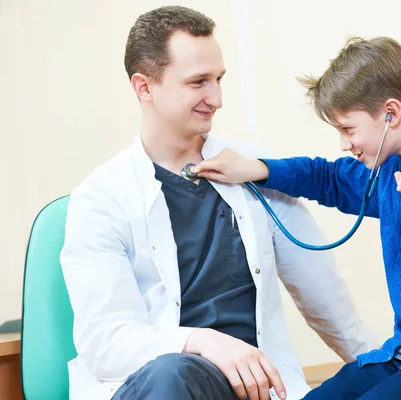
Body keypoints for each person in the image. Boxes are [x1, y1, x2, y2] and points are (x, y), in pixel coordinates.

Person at [60, 7, 378, 400]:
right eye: (198, 82)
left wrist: (382, 369)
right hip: (159, 386)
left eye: (219, 79)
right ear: (144, 87)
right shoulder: (100, 199)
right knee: (172, 375)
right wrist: (202, 341)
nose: (217, 98)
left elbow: (322, 290)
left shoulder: (250, 171)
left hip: (251, 389)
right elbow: (104, 340)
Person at [195, 36, 401, 399]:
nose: (343, 143)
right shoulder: (387, 172)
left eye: (348, 129)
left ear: (391, 113)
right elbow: (326, 177)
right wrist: (255, 168)